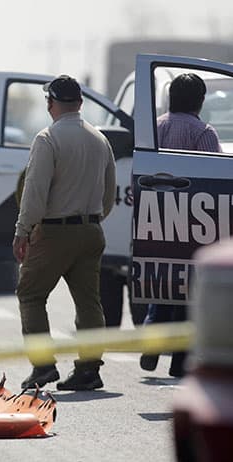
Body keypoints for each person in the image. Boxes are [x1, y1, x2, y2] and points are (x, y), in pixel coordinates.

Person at [13, 75, 116, 391]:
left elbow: (35, 192)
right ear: (81, 103)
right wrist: (91, 220)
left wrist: (23, 231)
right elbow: (109, 194)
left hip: (55, 233)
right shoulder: (99, 138)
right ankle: (89, 369)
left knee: (30, 294)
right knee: (89, 302)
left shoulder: (48, 139)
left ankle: (43, 366)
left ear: (50, 103)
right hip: (91, 230)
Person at [140, 72, 222, 378]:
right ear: (200, 102)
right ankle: (179, 361)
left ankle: (151, 345)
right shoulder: (205, 134)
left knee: (159, 286)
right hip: (194, 225)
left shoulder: (153, 128)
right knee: (189, 294)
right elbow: (215, 183)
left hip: (155, 221)